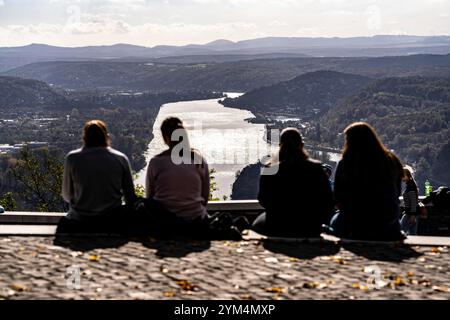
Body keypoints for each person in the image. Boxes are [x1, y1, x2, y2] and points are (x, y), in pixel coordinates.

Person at [329, 122, 405, 240]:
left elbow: (338, 197)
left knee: (333, 224)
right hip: (387, 223)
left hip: (355, 222)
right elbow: (397, 193)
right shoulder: (391, 161)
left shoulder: (346, 163)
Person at [252, 128, 334, 237]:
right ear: (302, 145)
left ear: (280, 146)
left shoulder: (270, 169)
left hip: (277, 224)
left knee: (256, 226)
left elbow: (263, 200)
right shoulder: (316, 168)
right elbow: (328, 202)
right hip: (309, 225)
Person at [58, 120, 137, 233]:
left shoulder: (73, 158)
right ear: (107, 137)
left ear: (84, 138)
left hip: (80, 220)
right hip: (112, 220)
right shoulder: (120, 158)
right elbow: (130, 197)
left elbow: (66, 195)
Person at [144, 117, 212, 237]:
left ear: (166, 138)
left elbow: (150, 198)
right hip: (196, 221)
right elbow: (205, 197)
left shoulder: (156, 162)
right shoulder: (198, 160)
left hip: (164, 224)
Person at [400, 166, 420, 235]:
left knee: (401, 231)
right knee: (413, 234)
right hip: (410, 213)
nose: (401, 177)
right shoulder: (409, 185)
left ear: (407, 176)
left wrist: (413, 216)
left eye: (403, 175)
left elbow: (414, 202)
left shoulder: (411, 186)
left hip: (409, 214)